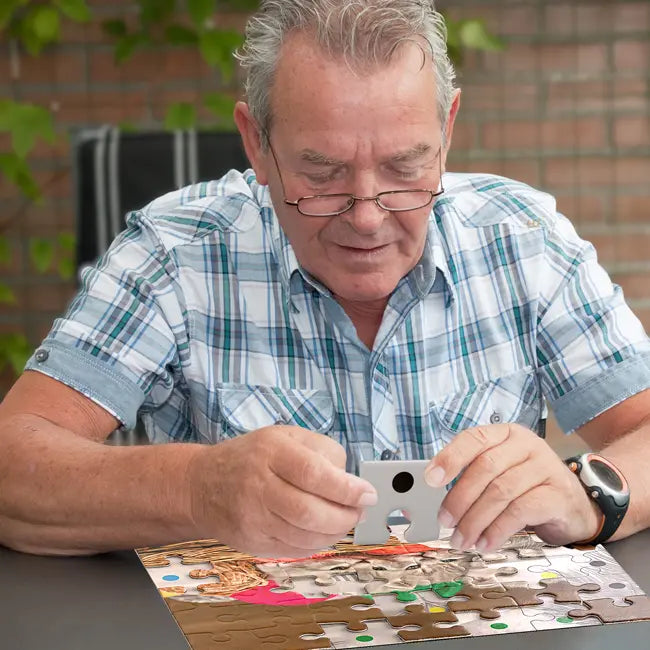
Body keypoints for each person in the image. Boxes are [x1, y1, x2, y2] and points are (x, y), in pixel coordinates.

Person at [1, 0, 649, 559]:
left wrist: (589, 492)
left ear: (446, 133)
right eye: (322, 173)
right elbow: (14, 463)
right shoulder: (173, 253)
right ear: (257, 143)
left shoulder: (522, 239)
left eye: (404, 167)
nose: (366, 217)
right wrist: (198, 488)